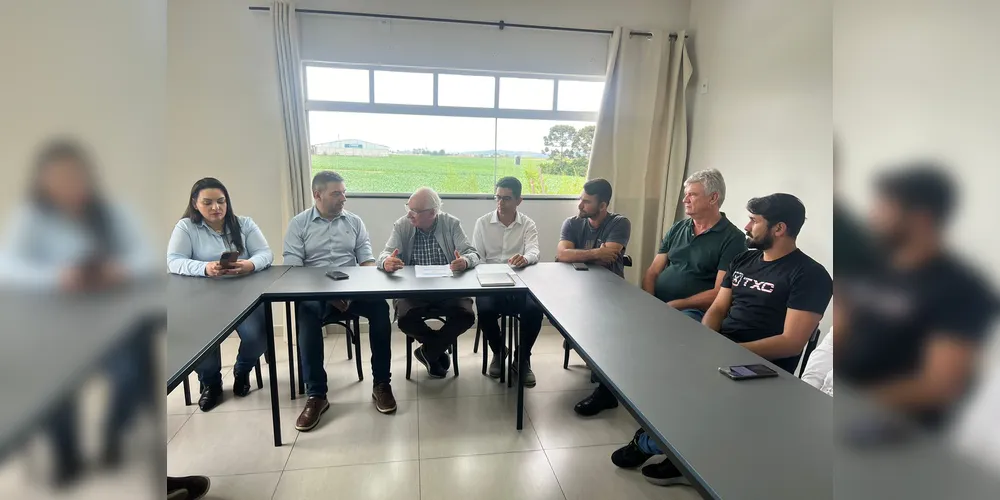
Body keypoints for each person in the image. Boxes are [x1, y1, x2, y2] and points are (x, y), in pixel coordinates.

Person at [612, 193, 832, 486]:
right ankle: (675, 447)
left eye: (754, 221)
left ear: (779, 229)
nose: (746, 226)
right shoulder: (744, 259)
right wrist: (709, 342)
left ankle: (657, 448)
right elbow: (717, 308)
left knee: (697, 390)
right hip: (726, 346)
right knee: (665, 372)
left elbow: (791, 342)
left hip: (765, 367)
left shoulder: (810, 275)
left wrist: (730, 352)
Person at [0, 139, 155, 486]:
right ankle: (66, 454)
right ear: (42, 182)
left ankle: (112, 436)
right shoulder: (31, 218)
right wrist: (58, 277)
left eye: (75, 176)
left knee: (131, 374)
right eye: (58, 178)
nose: (68, 185)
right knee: (55, 385)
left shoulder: (114, 213)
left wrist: (120, 271)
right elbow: (6, 268)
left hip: (113, 315)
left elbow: (146, 255)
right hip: (54, 322)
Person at [836, 165, 997, 430]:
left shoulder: (964, 290)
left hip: (894, 429)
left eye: (884, 208)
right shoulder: (871, 269)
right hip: (840, 404)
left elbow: (939, 386)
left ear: (920, 217)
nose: (873, 216)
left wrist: (848, 405)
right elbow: (842, 333)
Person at [284, 171, 396, 432]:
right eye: (337, 193)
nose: (343, 198)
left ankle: (382, 383)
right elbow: (293, 270)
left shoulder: (354, 222)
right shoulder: (299, 224)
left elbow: (366, 261)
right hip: (315, 293)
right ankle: (317, 395)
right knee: (306, 314)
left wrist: (377, 271)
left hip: (353, 290)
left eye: (344, 192)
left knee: (381, 309)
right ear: (317, 195)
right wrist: (328, 294)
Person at [167, 177, 273, 412]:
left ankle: (242, 369)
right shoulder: (186, 227)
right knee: (200, 341)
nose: (216, 208)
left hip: (243, 294)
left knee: (257, 336)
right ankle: (211, 384)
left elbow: (265, 253)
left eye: (221, 201)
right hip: (201, 297)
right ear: (195, 203)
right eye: (208, 202)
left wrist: (250, 265)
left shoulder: (244, 224)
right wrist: (205, 268)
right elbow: (174, 262)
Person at [377, 186, 479, 378]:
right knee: (405, 318)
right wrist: (386, 261)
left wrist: (465, 261)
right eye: (408, 208)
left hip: (449, 288)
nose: (409, 214)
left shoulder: (451, 224)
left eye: (414, 211)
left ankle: (427, 352)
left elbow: (472, 253)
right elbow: (383, 254)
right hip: (413, 290)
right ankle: (435, 350)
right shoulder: (402, 225)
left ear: (432, 213)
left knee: (466, 315)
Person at [555, 178, 632, 416]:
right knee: (554, 313)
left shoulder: (619, 223)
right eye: (581, 199)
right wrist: (597, 253)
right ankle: (579, 340)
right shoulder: (572, 222)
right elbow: (561, 254)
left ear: (603, 205)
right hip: (575, 289)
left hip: (609, 291)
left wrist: (576, 255)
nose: (580, 205)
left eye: (586, 202)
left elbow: (610, 255)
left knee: (604, 333)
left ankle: (606, 392)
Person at [642, 169, 746, 323]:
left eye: (692, 194)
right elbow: (653, 271)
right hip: (659, 302)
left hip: (693, 311)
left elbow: (720, 292)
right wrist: (649, 301)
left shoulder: (733, 238)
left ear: (713, 198)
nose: (685, 200)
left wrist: (680, 304)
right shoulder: (678, 227)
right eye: (686, 194)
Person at [472, 177, 544, 386]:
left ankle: (522, 358)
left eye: (506, 198)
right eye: (498, 197)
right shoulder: (483, 223)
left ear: (519, 201)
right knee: (484, 309)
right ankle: (498, 350)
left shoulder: (527, 224)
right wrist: (487, 275)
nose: (500, 203)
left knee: (534, 309)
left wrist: (526, 258)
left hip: (519, 281)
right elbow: (477, 256)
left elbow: (534, 251)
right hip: (490, 281)